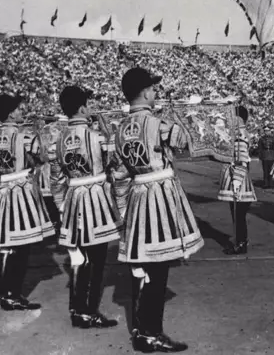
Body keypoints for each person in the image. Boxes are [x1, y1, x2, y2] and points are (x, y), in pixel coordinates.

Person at [114, 67, 204, 353]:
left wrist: (122, 213)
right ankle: (151, 333)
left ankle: (142, 330)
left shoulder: (119, 129)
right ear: (144, 91)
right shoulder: (157, 123)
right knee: (158, 267)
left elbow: (118, 176)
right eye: (153, 89)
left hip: (137, 197)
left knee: (143, 266)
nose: (155, 93)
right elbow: (188, 142)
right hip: (159, 197)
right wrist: (181, 116)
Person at [52, 86, 122, 329]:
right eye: (89, 105)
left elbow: (56, 179)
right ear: (82, 108)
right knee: (97, 257)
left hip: (73, 198)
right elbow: (114, 163)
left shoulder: (58, 139)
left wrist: (62, 207)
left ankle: (77, 306)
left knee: (80, 255)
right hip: (95, 198)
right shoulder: (97, 137)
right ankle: (87, 311)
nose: (91, 108)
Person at [0, 94, 55, 310]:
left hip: (3, 192)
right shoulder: (24, 138)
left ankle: (7, 294)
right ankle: (11, 294)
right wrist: (40, 133)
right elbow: (42, 159)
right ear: (12, 113)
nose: (22, 112)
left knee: (7, 245)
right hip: (21, 191)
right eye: (19, 109)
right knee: (21, 245)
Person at [217, 105, 257, 255]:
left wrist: (236, 181)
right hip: (237, 176)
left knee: (238, 215)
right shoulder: (239, 132)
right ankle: (240, 240)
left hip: (237, 177)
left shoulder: (239, 134)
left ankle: (241, 243)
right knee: (237, 215)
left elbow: (240, 160)